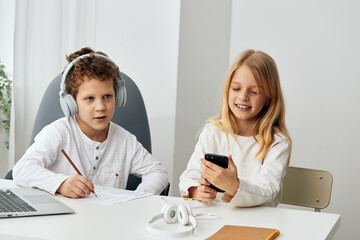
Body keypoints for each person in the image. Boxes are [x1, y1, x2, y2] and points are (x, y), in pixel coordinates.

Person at [13, 47, 168, 198]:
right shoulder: (58, 133)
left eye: (107, 96)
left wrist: (136, 198)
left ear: (118, 96)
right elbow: (22, 170)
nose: (100, 107)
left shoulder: (125, 140)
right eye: (89, 98)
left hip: (107, 220)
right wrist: (61, 184)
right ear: (71, 102)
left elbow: (158, 173)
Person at [179, 49, 291, 207]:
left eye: (254, 91)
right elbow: (188, 177)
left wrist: (234, 186)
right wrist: (196, 190)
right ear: (228, 90)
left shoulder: (276, 143)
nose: (243, 97)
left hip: (257, 223)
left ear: (268, 98)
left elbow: (268, 190)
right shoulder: (213, 132)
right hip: (213, 219)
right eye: (236, 89)